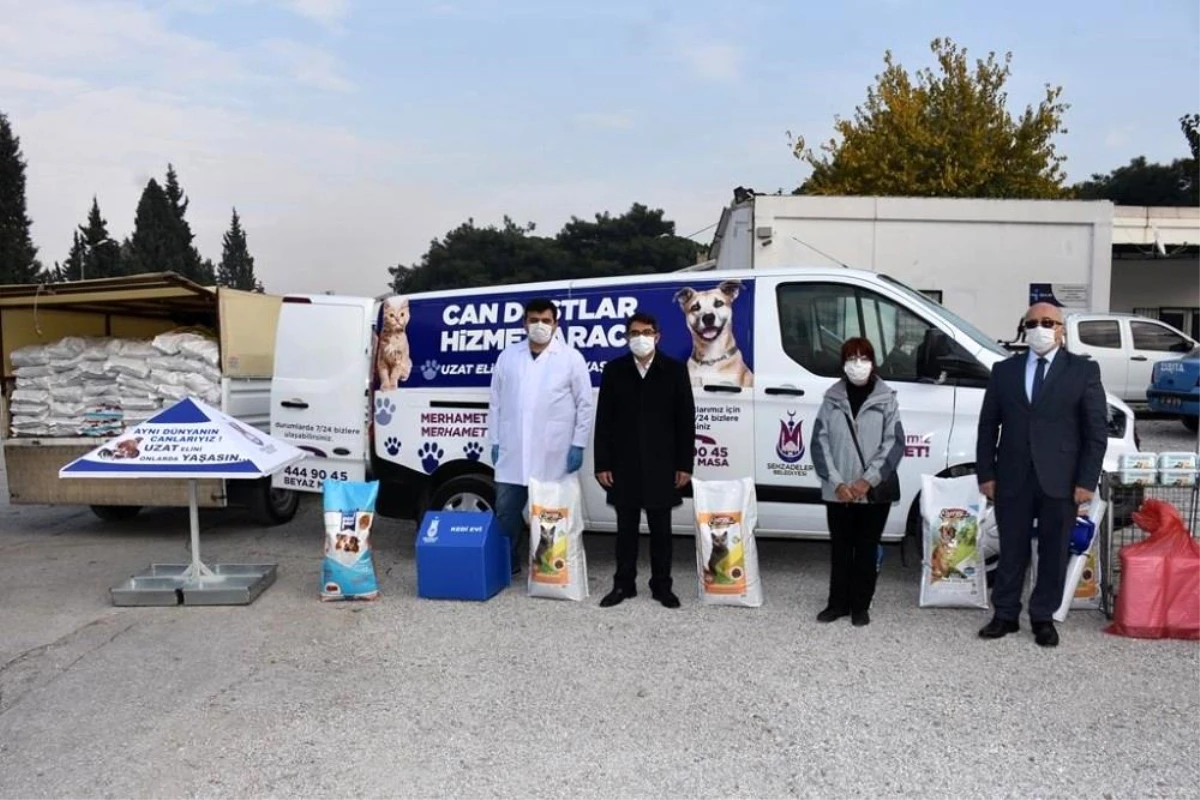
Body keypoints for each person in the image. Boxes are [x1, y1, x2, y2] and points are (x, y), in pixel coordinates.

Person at [976, 302, 1107, 647]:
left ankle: (1043, 616)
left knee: (1053, 551)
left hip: (1061, 480)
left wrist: (1086, 482)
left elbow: (1096, 433)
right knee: (1012, 548)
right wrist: (986, 473)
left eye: (1047, 322)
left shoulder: (1083, 371)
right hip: (1012, 477)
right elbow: (988, 425)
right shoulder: (1005, 371)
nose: (1040, 328)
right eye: (1032, 322)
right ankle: (1004, 614)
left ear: (1062, 329)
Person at [593, 311, 695, 609]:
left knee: (661, 531)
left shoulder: (674, 371)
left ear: (657, 336)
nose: (641, 338)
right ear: (627, 337)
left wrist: (684, 465)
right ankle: (623, 585)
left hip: (662, 464)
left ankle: (662, 586)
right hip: (623, 464)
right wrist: (602, 464)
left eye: (647, 332)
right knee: (625, 530)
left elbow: (685, 421)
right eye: (635, 332)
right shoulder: (614, 371)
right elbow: (604, 422)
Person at [487, 298, 594, 574]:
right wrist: (496, 441)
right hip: (512, 452)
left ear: (556, 324)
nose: (539, 326)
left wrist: (578, 444)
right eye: (533, 320)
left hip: (554, 453)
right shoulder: (508, 357)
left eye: (546, 320)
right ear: (524, 323)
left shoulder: (571, 358)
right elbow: (496, 402)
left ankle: (549, 569)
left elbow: (585, 404)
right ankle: (505, 565)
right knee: (507, 513)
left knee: (550, 514)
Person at [810, 337, 905, 627]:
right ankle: (836, 603)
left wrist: (867, 481)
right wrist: (838, 483)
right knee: (840, 548)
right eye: (852, 358)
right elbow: (819, 443)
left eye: (864, 358)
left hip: (871, 491)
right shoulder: (831, 399)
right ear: (843, 364)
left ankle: (860, 606)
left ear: (873, 362)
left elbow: (894, 444)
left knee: (865, 549)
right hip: (838, 492)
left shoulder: (887, 399)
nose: (858, 364)